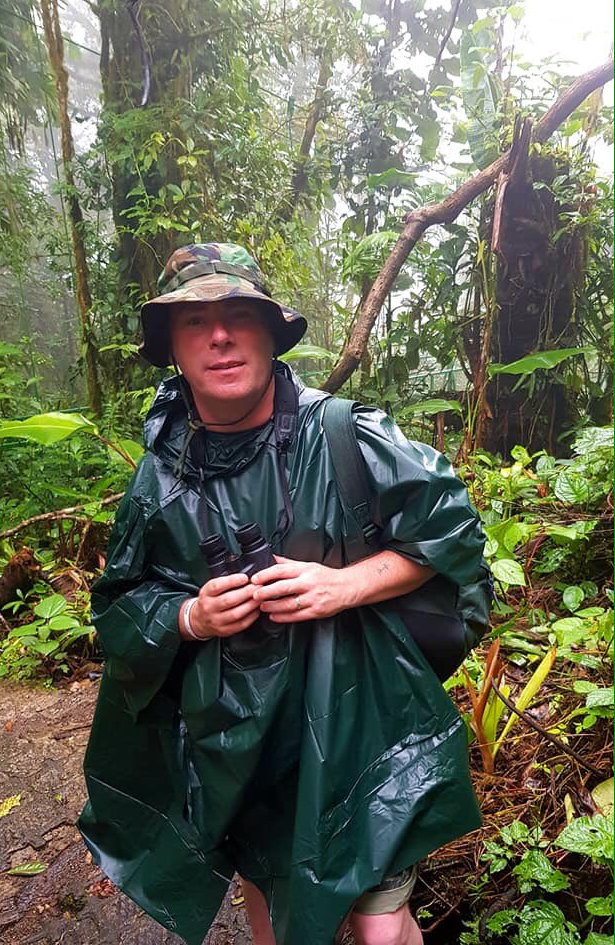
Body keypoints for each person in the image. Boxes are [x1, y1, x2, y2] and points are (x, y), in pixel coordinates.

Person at [78, 243, 488, 945]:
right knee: (273, 904)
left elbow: (449, 536)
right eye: (193, 321)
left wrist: (344, 585)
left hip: (364, 726)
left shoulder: (344, 434)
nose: (219, 336)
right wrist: (190, 616)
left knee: (380, 920)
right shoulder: (159, 476)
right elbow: (119, 605)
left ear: (271, 333)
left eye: (239, 315)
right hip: (241, 745)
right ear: (171, 348)